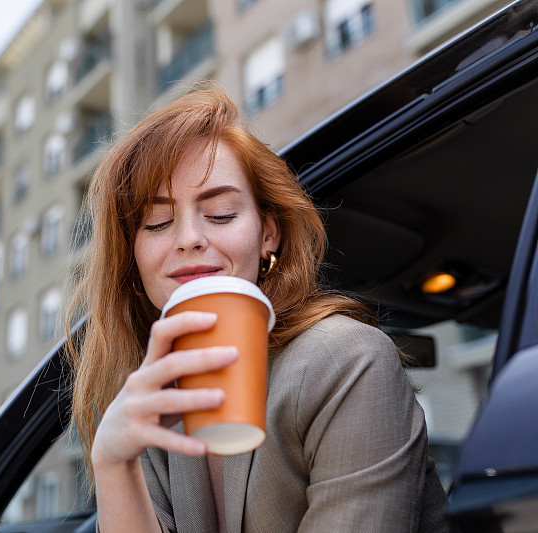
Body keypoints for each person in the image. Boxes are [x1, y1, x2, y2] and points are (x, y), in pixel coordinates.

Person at [65, 86, 448, 532]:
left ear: (269, 234)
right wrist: (113, 464)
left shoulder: (348, 360)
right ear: (132, 255)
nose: (188, 238)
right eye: (157, 222)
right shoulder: (148, 400)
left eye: (222, 213)